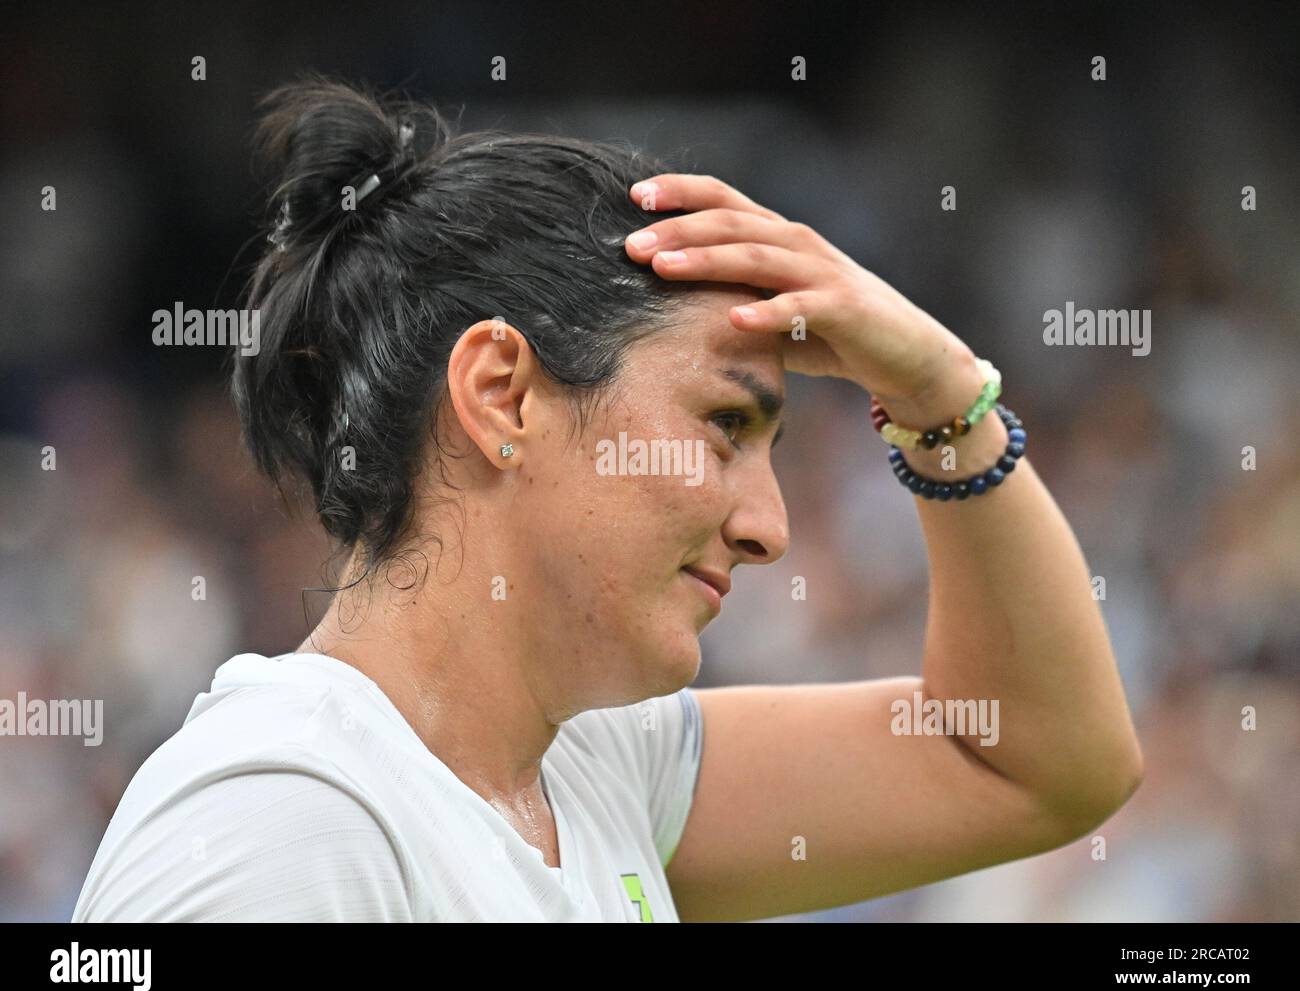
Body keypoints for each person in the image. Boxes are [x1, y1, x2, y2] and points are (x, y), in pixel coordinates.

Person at [73, 75, 1143, 922]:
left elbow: (1030, 760)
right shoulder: (285, 823)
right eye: (723, 425)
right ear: (503, 397)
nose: (768, 527)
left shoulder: (593, 767)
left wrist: (941, 394)